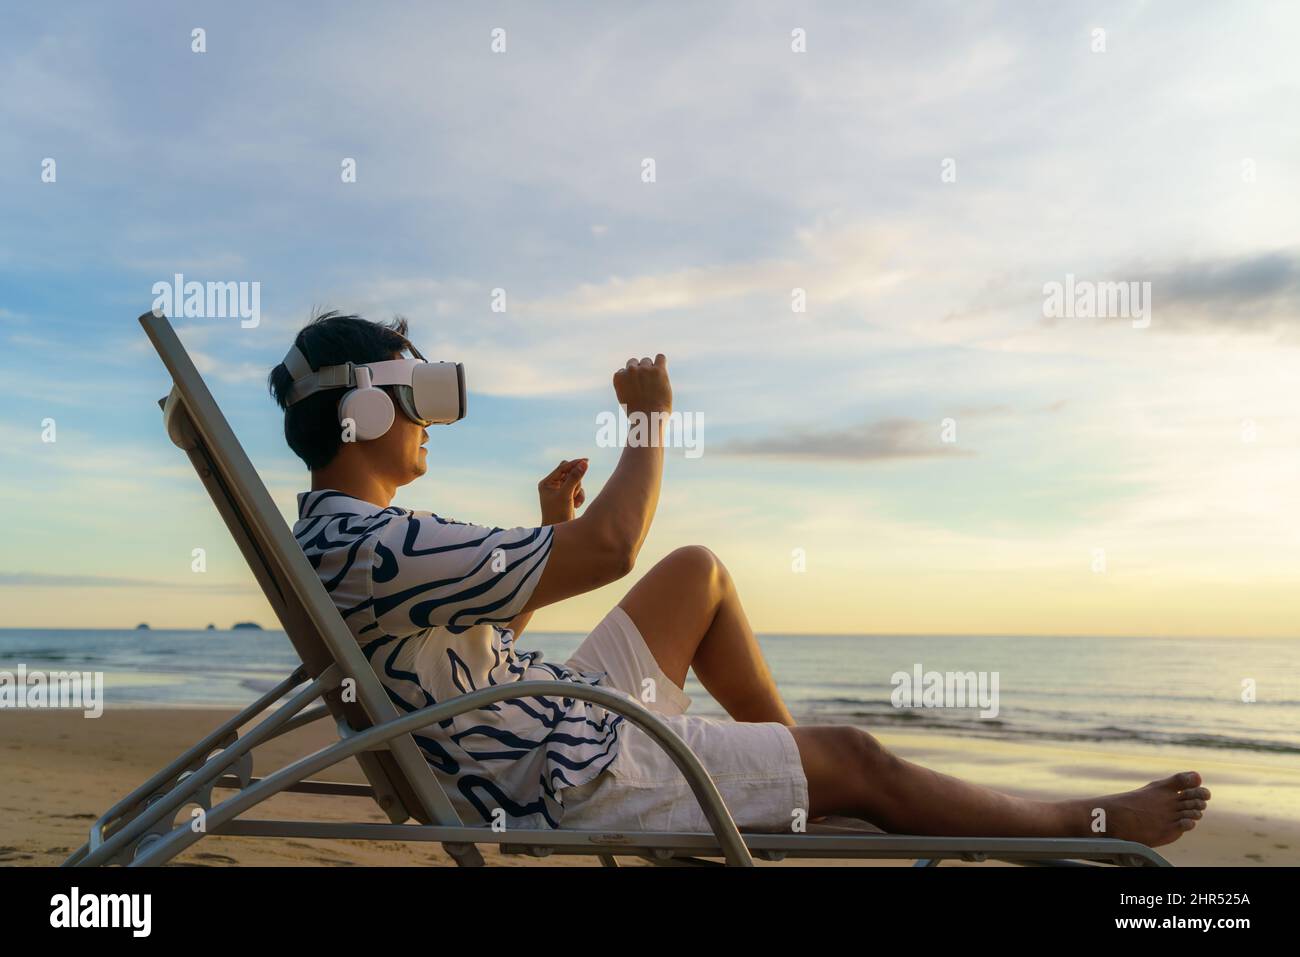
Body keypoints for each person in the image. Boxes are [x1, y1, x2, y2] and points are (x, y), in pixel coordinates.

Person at [268, 310, 1210, 844]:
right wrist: (645, 423)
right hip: (573, 769)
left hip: (550, 724)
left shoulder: (350, 538)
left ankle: (798, 778)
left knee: (698, 572)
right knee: (862, 756)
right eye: (418, 394)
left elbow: (453, 678)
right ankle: (1079, 823)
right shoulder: (372, 543)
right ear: (359, 407)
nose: (433, 418)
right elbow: (611, 548)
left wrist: (549, 531)